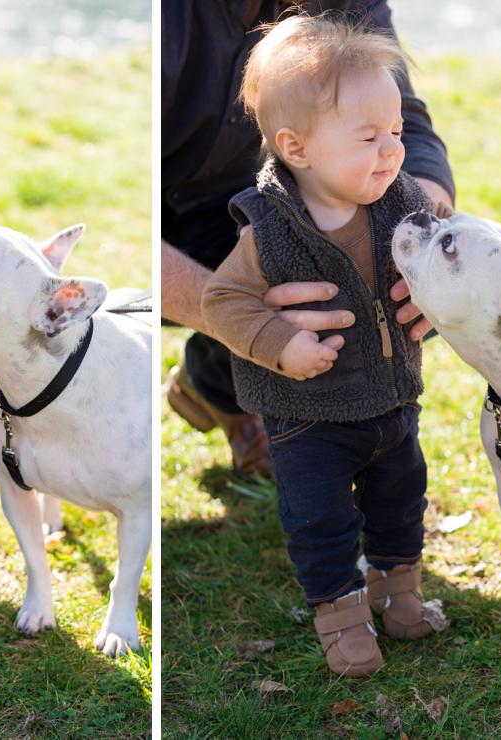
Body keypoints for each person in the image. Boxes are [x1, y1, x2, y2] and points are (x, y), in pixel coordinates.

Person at [200, 14, 449, 677]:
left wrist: (437, 293)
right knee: (322, 520)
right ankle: (340, 615)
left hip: (392, 399)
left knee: (402, 498)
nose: (392, 151)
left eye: (395, 132)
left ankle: (400, 591)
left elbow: (445, 259)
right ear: (297, 147)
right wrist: (280, 343)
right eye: (369, 137)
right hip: (306, 419)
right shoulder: (269, 229)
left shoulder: (400, 205)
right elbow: (221, 301)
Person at [162, 0, 454, 478]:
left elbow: (412, 126)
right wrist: (245, 321)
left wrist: (420, 238)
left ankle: (212, 380)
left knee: (425, 273)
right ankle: (260, 399)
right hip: (167, 228)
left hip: (283, 197)